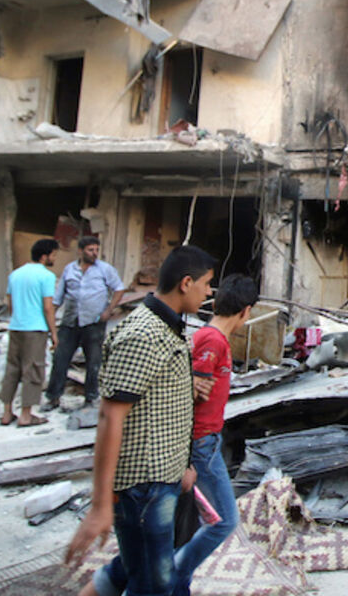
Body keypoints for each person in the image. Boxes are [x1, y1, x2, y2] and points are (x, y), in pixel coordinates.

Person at [66, 245, 216, 596]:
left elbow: (160, 406)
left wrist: (183, 466)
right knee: (154, 583)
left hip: (162, 478)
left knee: (151, 571)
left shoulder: (168, 327)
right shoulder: (142, 334)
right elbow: (109, 417)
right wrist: (101, 504)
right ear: (186, 283)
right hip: (142, 487)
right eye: (207, 284)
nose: (209, 293)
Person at [173, 273, 256, 592]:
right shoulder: (213, 341)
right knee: (223, 521)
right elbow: (185, 400)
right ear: (245, 311)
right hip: (200, 444)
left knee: (187, 522)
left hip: (204, 441)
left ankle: (175, 582)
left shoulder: (209, 337)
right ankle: (174, 571)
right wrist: (184, 459)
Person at [43, 236, 126, 412]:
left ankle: (90, 398)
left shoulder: (105, 269)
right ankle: (53, 398)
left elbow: (119, 288)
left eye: (96, 249)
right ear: (80, 251)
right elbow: (59, 296)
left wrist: (109, 309)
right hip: (70, 321)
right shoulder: (69, 270)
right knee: (60, 358)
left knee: (93, 362)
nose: (94, 253)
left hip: (94, 322)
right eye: (90, 250)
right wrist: (49, 315)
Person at [0, 239, 60, 428]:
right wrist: (54, 333)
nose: (54, 258)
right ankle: (26, 414)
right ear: (45, 256)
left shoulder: (16, 274)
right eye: (53, 255)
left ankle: (7, 412)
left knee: (12, 369)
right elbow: (48, 308)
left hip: (16, 326)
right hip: (35, 329)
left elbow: (9, 302)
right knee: (33, 370)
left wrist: (17, 317)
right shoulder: (47, 276)